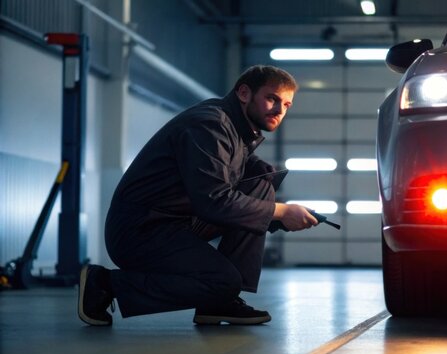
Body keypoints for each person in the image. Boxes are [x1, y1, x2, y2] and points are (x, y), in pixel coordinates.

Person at [78, 65, 319, 327]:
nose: (279, 110)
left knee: (262, 183)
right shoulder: (210, 124)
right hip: (140, 231)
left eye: (286, 105)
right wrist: (281, 212)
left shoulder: (238, 132)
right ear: (244, 93)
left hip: (177, 221)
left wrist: (263, 184)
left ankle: (219, 302)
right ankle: (104, 284)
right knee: (222, 280)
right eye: (272, 98)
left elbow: (230, 178)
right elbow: (215, 200)